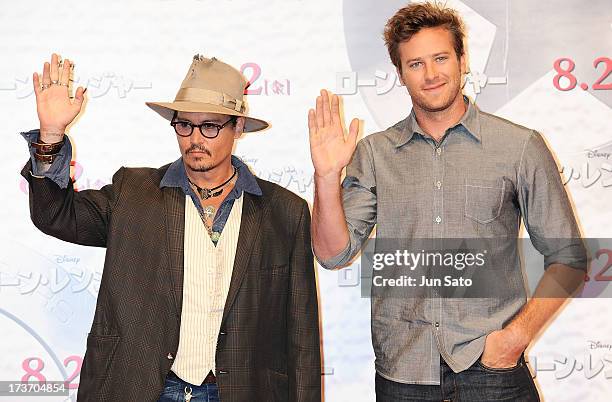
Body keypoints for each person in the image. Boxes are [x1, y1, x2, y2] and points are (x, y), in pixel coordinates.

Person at [308, 2, 586, 401]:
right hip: (403, 373)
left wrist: (514, 338)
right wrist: (325, 176)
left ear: (462, 59)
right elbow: (332, 254)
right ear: (400, 74)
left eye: (441, 58)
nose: (432, 73)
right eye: (416, 64)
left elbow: (569, 257)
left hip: (493, 372)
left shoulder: (519, 146)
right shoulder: (373, 154)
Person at [21, 53, 321, 402]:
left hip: (242, 391)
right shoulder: (133, 193)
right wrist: (52, 135)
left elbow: (301, 336)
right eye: (184, 125)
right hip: (142, 387)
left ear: (238, 127)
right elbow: (54, 215)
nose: (195, 139)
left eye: (210, 126)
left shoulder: (284, 212)